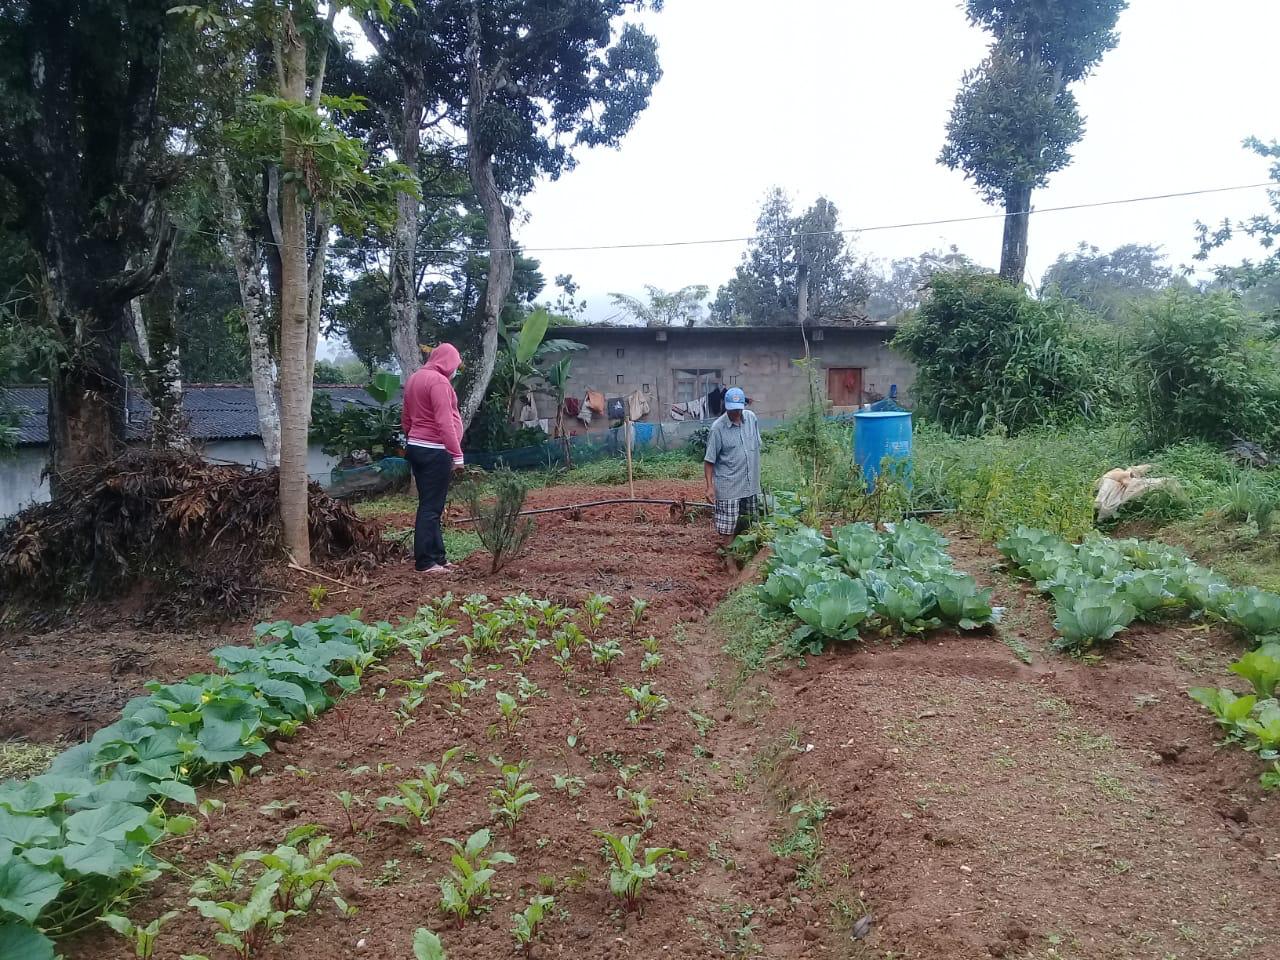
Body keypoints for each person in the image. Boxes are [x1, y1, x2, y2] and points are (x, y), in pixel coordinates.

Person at [402, 343, 466, 575]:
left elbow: (406, 418)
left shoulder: (415, 378)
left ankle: (438, 556)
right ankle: (425, 562)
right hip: (434, 450)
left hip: (417, 448)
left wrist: (413, 440)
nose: (455, 369)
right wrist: (457, 454)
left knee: (431, 506)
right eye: (456, 364)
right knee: (430, 508)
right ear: (448, 361)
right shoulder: (439, 382)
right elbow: (444, 421)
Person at [703, 386, 761, 563]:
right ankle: (729, 562)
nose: (735, 413)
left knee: (749, 521)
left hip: (750, 483)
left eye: (738, 409)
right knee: (728, 527)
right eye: (732, 409)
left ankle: (747, 557)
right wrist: (709, 487)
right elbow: (709, 461)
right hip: (729, 485)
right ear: (726, 407)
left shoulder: (751, 419)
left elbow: (756, 447)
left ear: (743, 406)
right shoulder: (717, 428)